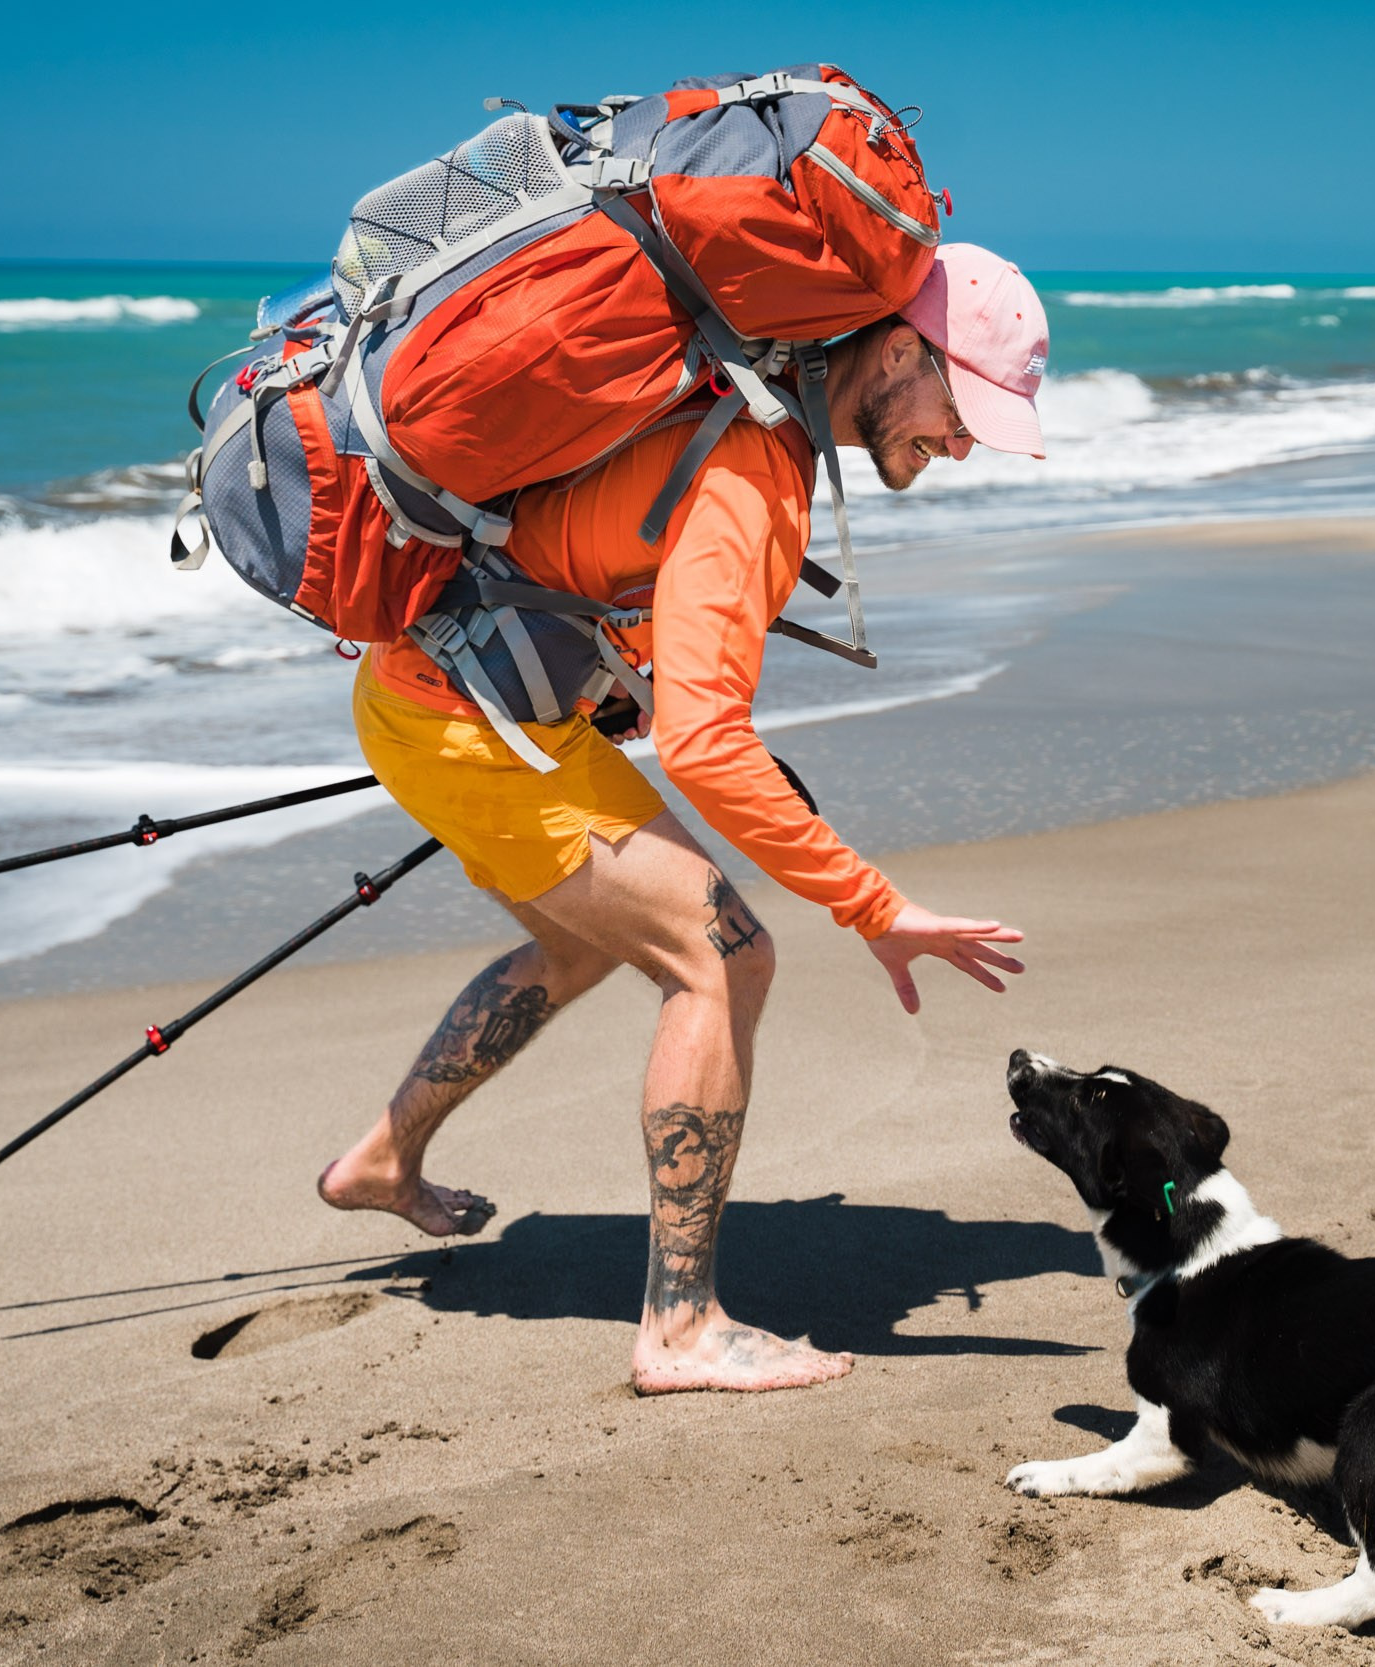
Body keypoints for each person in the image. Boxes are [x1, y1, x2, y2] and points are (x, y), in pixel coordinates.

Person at [317, 245, 1051, 1393]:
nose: (961, 446)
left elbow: (616, 570)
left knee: (582, 941)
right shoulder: (758, 461)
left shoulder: (732, 399)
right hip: (465, 721)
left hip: (441, 695)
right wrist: (874, 905)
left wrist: (609, 681)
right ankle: (680, 1325)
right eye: (962, 411)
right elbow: (708, 743)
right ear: (902, 348)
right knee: (720, 960)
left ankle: (381, 1157)